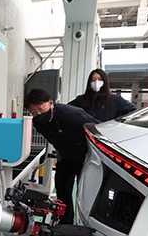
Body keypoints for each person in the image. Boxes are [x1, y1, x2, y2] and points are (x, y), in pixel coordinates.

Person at [25, 88, 99, 225]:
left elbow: (98, 130)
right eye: (33, 112)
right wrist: (58, 148)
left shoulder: (72, 115)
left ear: (51, 103)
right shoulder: (38, 123)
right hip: (66, 157)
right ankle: (65, 224)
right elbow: (52, 137)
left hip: (86, 158)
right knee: (62, 188)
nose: (38, 114)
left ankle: (87, 224)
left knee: (86, 193)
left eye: (41, 109)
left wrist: (92, 152)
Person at [68, 69, 136, 122]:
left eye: (100, 79)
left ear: (105, 82)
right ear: (89, 83)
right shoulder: (81, 100)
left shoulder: (115, 99)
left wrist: (117, 123)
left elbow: (132, 111)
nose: (96, 82)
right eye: (93, 80)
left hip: (106, 134)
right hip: (85, 134)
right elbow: (67, 111)